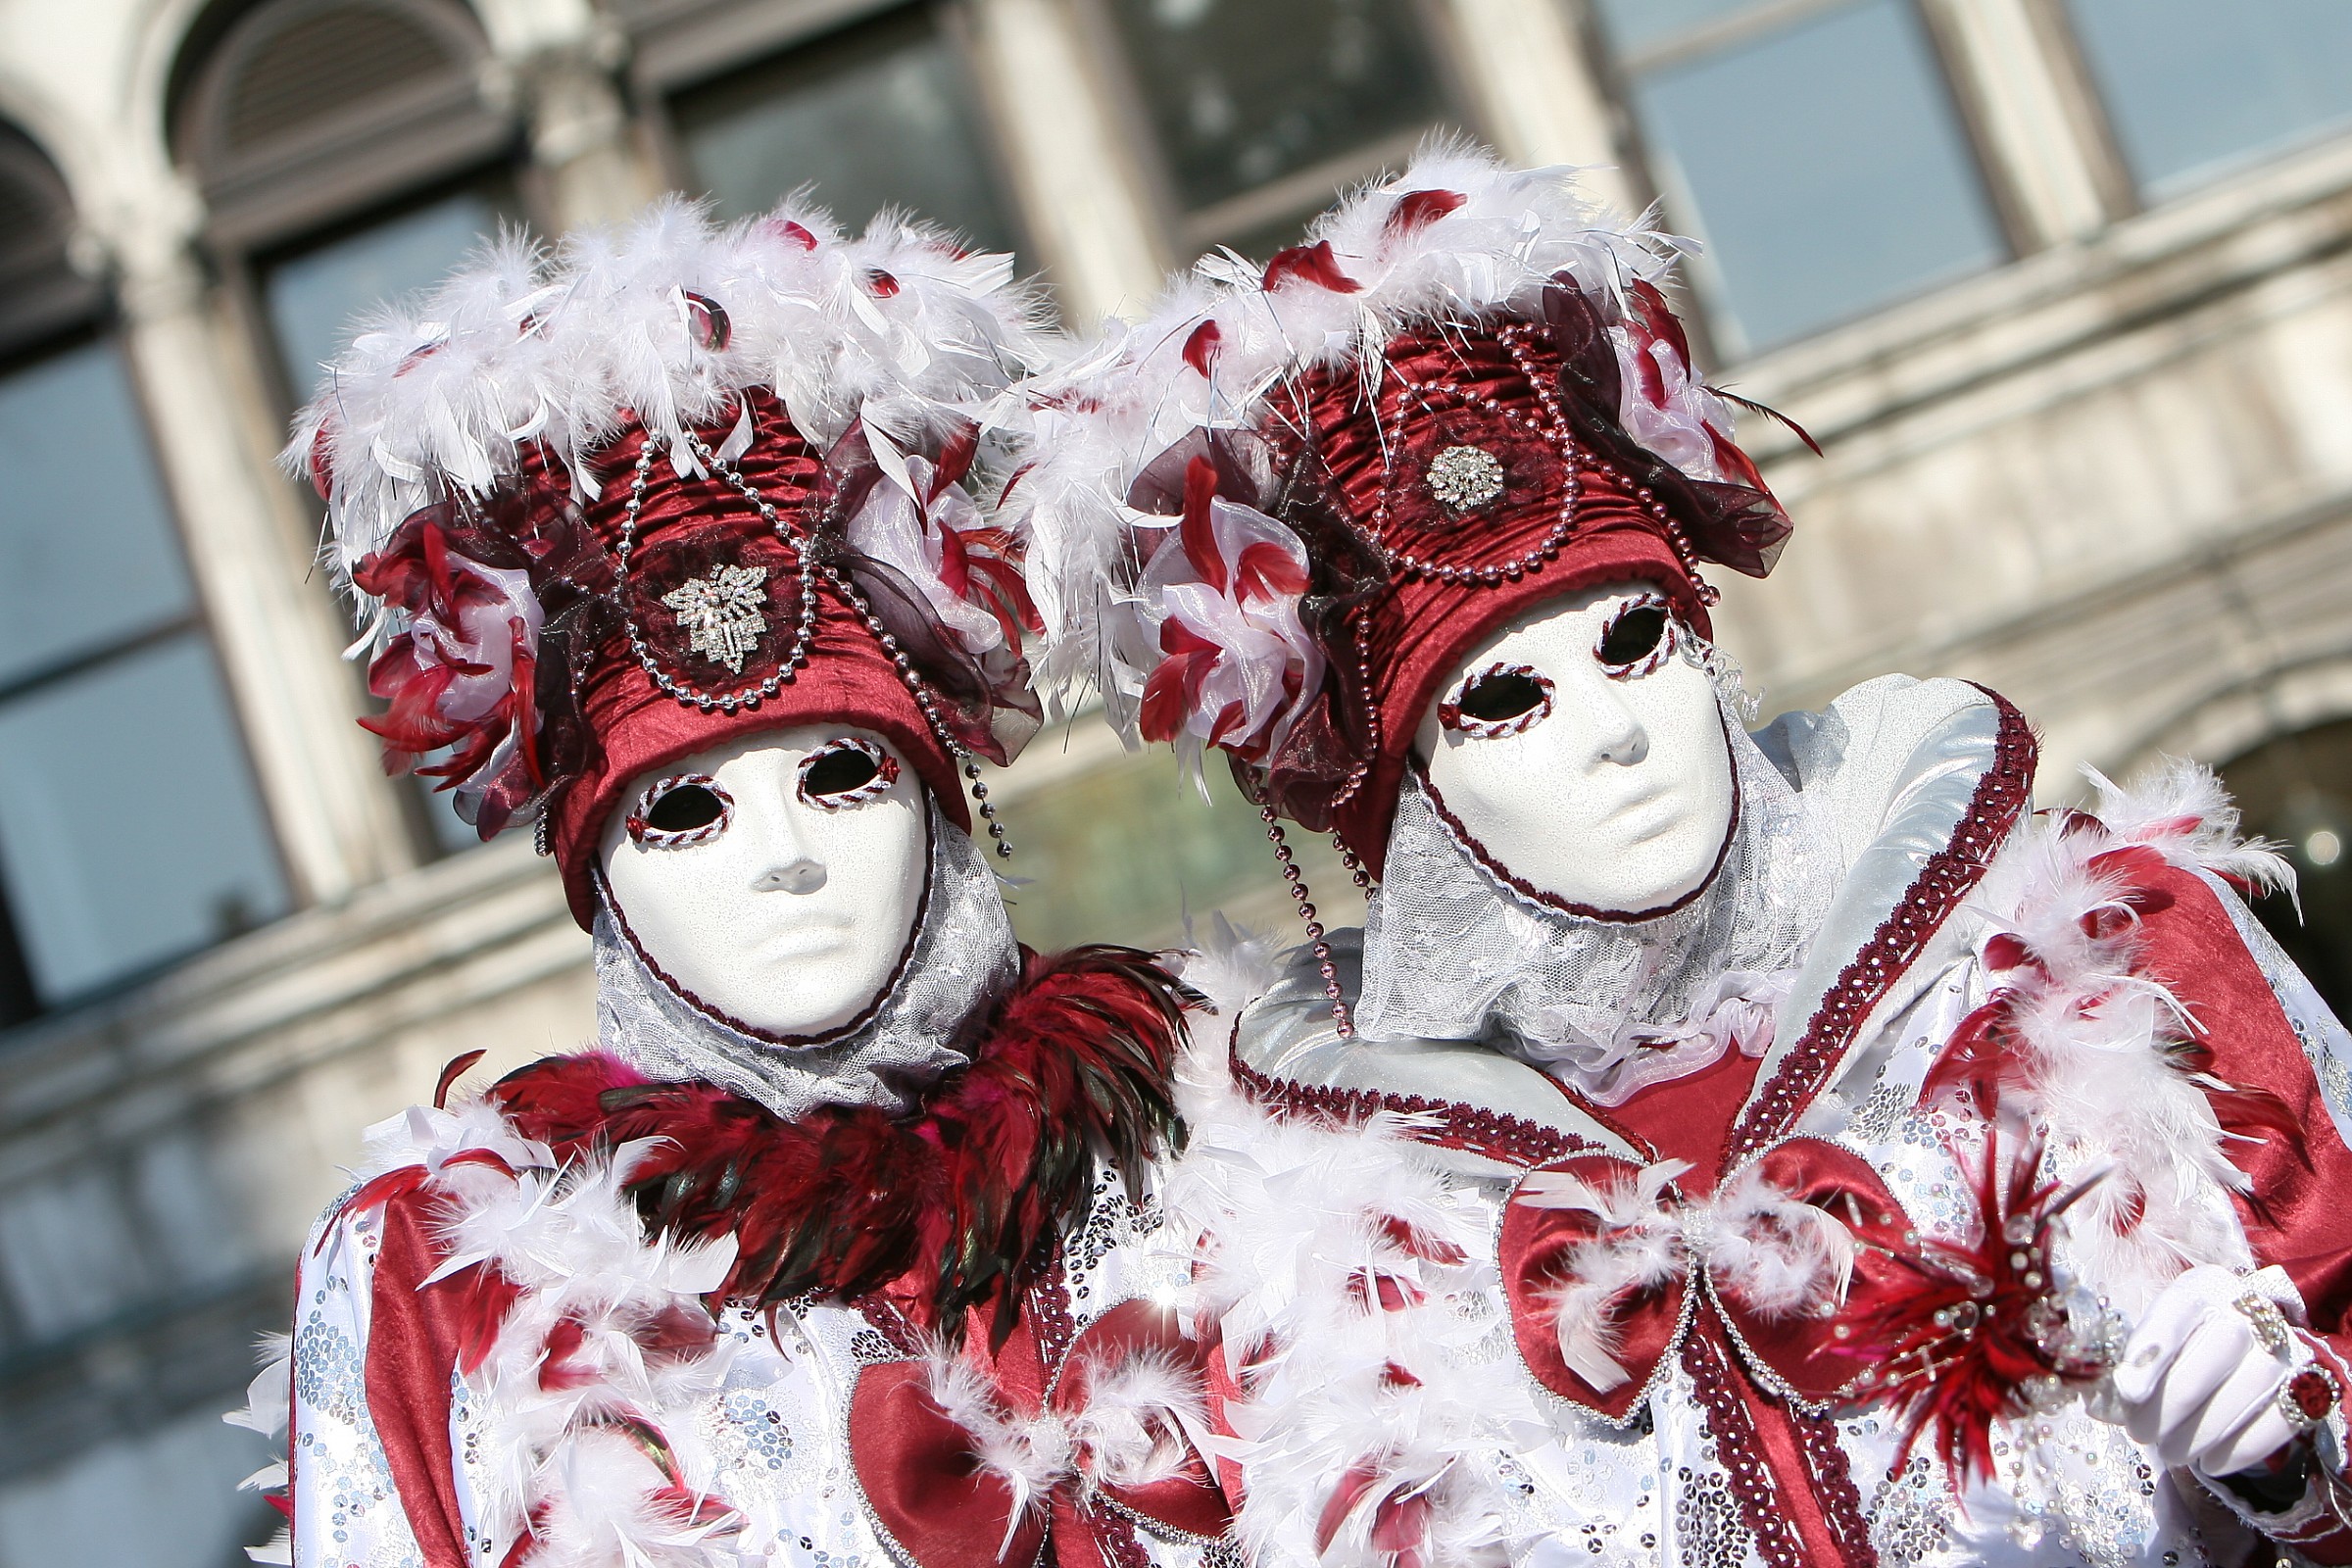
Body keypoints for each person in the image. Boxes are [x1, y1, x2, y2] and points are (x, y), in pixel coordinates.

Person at [1011, 147, 2352, 1567]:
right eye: (1503, 702)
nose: (1615, 737)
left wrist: (2291, 1457)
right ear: (1406, 809)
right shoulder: (1317, 1238)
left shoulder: (2087, 971)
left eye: (1637, 644)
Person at [230, 202, 1229, 1568]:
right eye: (688, 810)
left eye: (841, 779)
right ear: (600, 880)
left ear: (940, 805)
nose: (787, 856)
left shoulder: (1214, 1134)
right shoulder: (451, 1284)